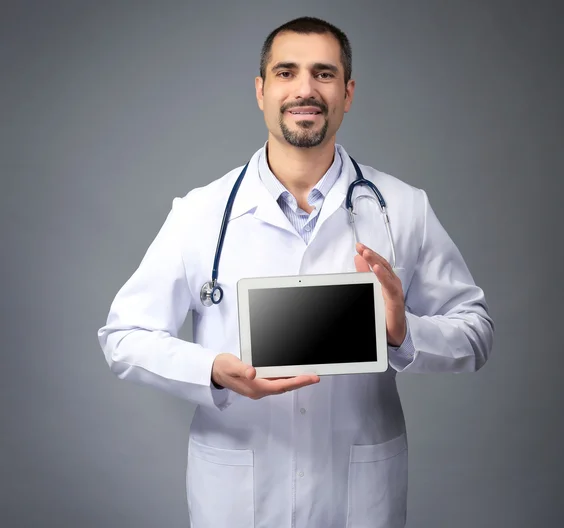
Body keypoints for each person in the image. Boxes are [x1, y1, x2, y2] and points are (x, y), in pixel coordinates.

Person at [98, 16, 494, 528]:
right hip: (238, 496)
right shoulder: (200, 213)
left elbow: (476, 333)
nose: (305, 89)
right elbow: (123, 336)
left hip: (360, 494)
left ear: (347, 93)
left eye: (324, 74)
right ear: (261, 91)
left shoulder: (402, 207)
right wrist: (213, 370)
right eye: (286, 72)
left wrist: (401, 331)